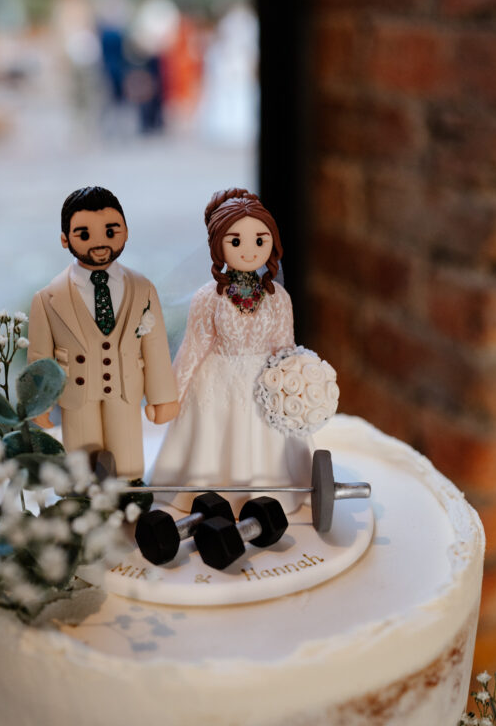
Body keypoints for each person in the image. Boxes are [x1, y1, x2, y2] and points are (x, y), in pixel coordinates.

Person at [151, 188, 312, 510]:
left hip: (264, 383)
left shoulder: (279, 298)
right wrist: (171, 396)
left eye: (260, 240)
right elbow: (193, 348)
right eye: (236, 241)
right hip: (216, 381)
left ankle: (266, 493)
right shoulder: (208, 297)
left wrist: (298, 389)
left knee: (265, 438)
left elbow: (286, 349)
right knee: (214, 439)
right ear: (218, 246)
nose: (249, 251)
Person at [28, 186, 179, 481]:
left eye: (110, 231)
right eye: (84, 234)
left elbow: (155, 346)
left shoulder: (142, 288)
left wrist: (162, 396)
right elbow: (40, 357)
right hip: (76, 395)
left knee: (127, 459)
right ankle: (85, 497)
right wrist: (40, 401)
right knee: (82, 462)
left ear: (126, 232)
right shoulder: (47, 298)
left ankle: (129, 492)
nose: (99, 242)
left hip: (125, 390)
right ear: (64, 239)